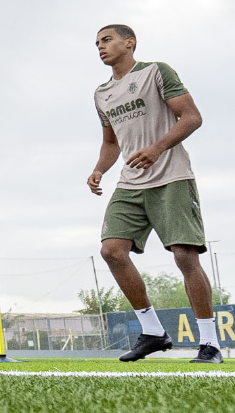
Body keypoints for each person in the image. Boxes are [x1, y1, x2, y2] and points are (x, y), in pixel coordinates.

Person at [88, 25, 222, 363]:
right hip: (130, 184)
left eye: (107, 40)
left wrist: (157, 148)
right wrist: (99, 169)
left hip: (172, 176)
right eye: (97, 43)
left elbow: (191, 117)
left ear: (129, 42)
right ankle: (153, 332)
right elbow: (110, 142)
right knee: (111, 251)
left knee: (184, 256)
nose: (100, 46)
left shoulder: (155, 71)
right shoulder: (101, 93)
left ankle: (210, 343)